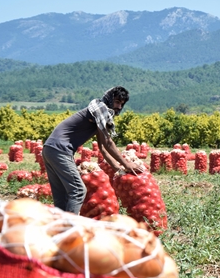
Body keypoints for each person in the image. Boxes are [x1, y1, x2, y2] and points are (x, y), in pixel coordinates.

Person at [42, 86, 144, 214]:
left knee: (61, 196)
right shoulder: (100, 110)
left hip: (49, 149)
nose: (119, 107)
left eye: (121, 104)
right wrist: (127, 164)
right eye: (117, 102)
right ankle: (70, 229)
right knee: (78, 191)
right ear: (109, 99)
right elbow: (108, 142)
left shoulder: (97, 114)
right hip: (60, 150)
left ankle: (58, 229)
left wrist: (118, 168)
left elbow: (102, 147)